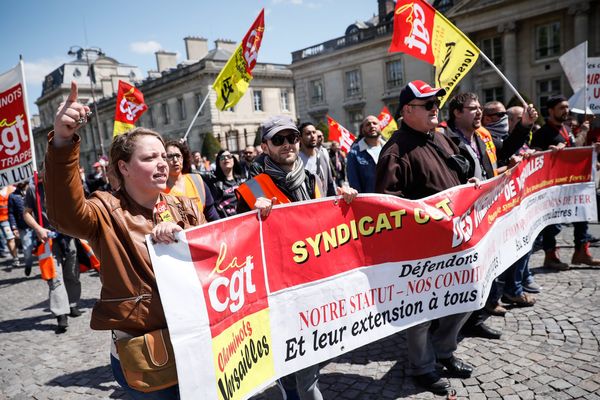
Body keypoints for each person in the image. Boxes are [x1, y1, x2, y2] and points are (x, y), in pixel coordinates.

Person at [46, 81, 204, 399]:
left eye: (163, 155)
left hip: (196, 339)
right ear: (124, 167)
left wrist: (256, 213)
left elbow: (216, 259)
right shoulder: (105, 210)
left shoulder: (184, 205)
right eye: (149, 158)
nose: (162, 162)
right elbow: (64, 215)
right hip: (148, 351)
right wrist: (63, 140)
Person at [236, 115, 357, 400]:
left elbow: (325, 220)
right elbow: (240, 240)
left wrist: (344, 199)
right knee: (290, 361)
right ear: (265, 146)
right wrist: (252, 213)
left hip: (311, 280)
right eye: (278, 140)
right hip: (277, 288)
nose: (288, 144)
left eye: (291, 138)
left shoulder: (312, 177)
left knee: (308, 362)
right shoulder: (252, 188)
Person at [375, 80, 473, 396]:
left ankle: (445, 350)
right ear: (407, 110)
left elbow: (465, 167)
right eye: (428, 105)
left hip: (456, 240)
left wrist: (467, 170)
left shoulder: (442, 137)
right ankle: (422, 367)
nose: (435, 109)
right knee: (420, 312)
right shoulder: (395, 151)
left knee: (466, 296)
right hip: (420, 251)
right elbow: (387, 204)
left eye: (436, 103)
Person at [531, 95, 600, 268]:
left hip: (572, 184)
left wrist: (590, 156)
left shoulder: (566, 129)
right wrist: (550, 152)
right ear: (551, 110)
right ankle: (550, 255)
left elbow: (573, 149)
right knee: (553, 223)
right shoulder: (542, 133)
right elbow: (535, 157)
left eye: (567, 107)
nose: (566, 110)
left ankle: (581, 252)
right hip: (552, 187)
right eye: (562, 107)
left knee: (581, 215)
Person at [23, 168, 82, 333]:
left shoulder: (65, 185)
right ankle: (60, 313)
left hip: (68, 236)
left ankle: (72, 304)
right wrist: (38, 228)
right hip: (47, 238)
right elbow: (26, 213)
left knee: (72, 273)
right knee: (54, 277)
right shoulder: (33, 189)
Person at [163, 140, 220, 222]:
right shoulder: (159, 191)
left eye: (178, 155)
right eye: (170, 156)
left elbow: (212, 215)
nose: (175, 160)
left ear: (182, 158)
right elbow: (165, 220)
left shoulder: (197, 181)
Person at [346, 115, 386, 193]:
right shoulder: (354, 154)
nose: (372, 126)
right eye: (368, 124)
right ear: (363, 129)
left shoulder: (389, 149)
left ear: (380, 126)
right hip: (369, 202)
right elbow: (354, 184)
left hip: (390, 200)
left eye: (375, 123)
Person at [298, 122, 336, 196]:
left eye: (314, 132)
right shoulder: (296, 160)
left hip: (324, 202)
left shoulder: (322, 155)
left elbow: (329, 183)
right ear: (300, 138)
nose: (312, 136)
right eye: (308, 133)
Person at [207, 149, 247, 218]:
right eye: (222, 157)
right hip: (226, 223)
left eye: (228, 156)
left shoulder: (242, 181)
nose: (226, 158)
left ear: (233, 160)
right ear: (218, 163)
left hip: (244, 220)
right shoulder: (214, 184)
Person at [8, 181, 32, 274]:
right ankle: (28, 265)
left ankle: (47, 272)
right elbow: (11, 213)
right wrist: (14, 227)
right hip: (24, 227)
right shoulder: (13, 196)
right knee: (27, 250)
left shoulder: (33, 190)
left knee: (45, 250)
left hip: (39, 225)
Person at [0, 184, 19, 266]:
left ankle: (15, 256)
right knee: (8, 239)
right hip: (4, 219)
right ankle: (15, 257)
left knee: (11, 238)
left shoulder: (12, 189)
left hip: (9, 218)